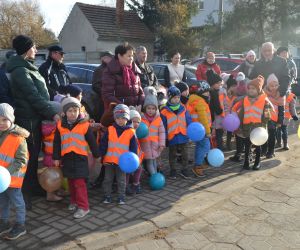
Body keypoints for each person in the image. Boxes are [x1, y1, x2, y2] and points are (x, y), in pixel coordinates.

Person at [6, 35, 60, 210]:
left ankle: (34, 187)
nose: (36, 50)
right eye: (34, 47)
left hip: (36, 117)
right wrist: (53, 113)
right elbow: (33, 97)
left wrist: (59, 97)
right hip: (28, 120)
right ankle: (24, 193)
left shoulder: (28, 67)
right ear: (25, 49)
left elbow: (42, 91)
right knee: (27, 158)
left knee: (35, 156)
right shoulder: (20, 71)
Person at [53, 97, 100, 219]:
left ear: (79, 111)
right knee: (71, 182)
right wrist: (56, 157)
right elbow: (57, 143)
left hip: (80, 158)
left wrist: (97, 155)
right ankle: (74, 201)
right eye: (70, 111)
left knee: (79, 183)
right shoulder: (60, 126)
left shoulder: (84, 125)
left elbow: (92, 141)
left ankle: (84, 207)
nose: (73, 113)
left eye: (75, 110)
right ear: (64, 113)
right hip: (67, 158)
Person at [0, 103, 29, 240]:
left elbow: (21, 160)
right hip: (1, 180)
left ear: (11, 119)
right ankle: (4, 222)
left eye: (4, 119)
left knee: (17, 202)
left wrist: (5, 172)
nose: (1, 123)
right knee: (2, 201)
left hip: (12, 178)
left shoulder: (19, 138)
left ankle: (20, 225)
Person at [101, 104, 138, 205]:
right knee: (107, 179)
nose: (120, 120)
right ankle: (107, 196)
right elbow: (103, 144)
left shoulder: (131, 132)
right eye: (117, 118)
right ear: (114, 118)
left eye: (123, 118)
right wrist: (101, 154)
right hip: (109, 161)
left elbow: (134, 149)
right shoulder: (110, 129)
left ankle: (121, 196)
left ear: (127, 118)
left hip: (123, 163)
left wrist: (133, 161)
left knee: (121, 180)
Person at [238, 75, 272, 170]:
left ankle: (257, 162)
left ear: (258, 89)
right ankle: (247, 161)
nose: (251, 90)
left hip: (258, 127)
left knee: (258, 145)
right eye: (249, 88)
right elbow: (242, 112)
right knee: (247, 144)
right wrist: (239, 124)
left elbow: (267, 114)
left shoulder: (264, 101)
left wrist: (264, 122)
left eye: (253, 88)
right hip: (247, 126)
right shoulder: (245, 99)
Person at [160, 86, 192, 179]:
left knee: (185, 153)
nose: (176, 99)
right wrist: (165, 138)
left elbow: (189, 121)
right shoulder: (164, 111)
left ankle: (184, 169)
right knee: (172, 154)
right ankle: (173, 170)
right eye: (174, 98)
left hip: (183, 135)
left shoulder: (184, 109)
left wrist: (191, 131)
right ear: (169, 98)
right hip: (172, 136)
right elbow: (163, 126)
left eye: (178, 97)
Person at [102, 43, 145, 110]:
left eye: (132, 56)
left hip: (135, 112)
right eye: (129, 56)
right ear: (119, 56)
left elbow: (141, 92)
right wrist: (124, 108)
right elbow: (107, 95)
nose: (131, 59)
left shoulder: (134, 70)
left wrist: (140, 104)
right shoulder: (110, 72)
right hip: (118, 114)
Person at [187, 81, 211, 177]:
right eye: (206, 91)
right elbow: (203, 118)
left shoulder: (193, 100)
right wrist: (208, 131)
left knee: (199, 146)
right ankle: (198, 166)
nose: (208, 93)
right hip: (202, 130)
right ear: (200, 92)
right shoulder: (200, 102)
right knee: (206, 147)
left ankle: (198, 163)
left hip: (197, 130)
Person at [140, 87, 165, 176]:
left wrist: (162, 144)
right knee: (150, 162)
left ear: (156, 109)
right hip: (145, 145)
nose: (151, 110)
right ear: (145, 108)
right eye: (149, 108)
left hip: (155, 145)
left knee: (154, 161)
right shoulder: (142, 119)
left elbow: (162, 133)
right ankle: (154, 176)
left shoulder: (158, 119)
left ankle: (154, 175)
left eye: (153, 108)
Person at [41, 101, 63, 202]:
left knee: (52, 175)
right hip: (55, 156)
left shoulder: (44, 126)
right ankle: (50, 195)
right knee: (54, 175)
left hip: (47, 155)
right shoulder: (56, 128)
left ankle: (55, 191)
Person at [263, 74, 285, 158]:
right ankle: (264, 149)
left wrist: (280, 121)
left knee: (272, 135)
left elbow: (281, 110)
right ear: (268, 86)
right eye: (271, 86)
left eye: (276, 85)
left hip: (274, 120)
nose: (274, 87)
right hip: (264, 118)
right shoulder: (263, 94)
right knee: (264, 134)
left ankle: (271, 151)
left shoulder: (281, 95)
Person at [126, 107, 144, 195]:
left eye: (138, 122)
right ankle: (126, 186)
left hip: (134, 156)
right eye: (134, 121)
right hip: (128, 156)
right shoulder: (129, 131)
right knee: (128, 172)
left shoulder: (134, 131)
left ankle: (135, 184)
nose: (136, 124)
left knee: (138, 169)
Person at [92, 51, 114, 121]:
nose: (111, 59)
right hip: (102, 101)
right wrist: (105, 93)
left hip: (111, 99)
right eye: (110, 57)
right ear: (103, 58)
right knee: (103, 119)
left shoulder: (112, 68)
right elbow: (95, 85)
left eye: (112, 57)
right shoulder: (99, 70)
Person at [207, 70, 224, 150]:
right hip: (214, 119)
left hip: (214, 119)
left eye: (220, 83)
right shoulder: (213, 93)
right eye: (218, 83)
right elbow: (217, 109)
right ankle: (218, 150)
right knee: (217, 136)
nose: (219, 85)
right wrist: (221, 111)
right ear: (212, 83)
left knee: (215, 136)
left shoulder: (213, 91)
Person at [224, 75, 238, 150]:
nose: (235, 87)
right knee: (229, 132)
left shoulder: (236, 96)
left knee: (236, 132)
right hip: (229, 117)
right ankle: (228, 145)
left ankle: (235, 145)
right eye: (234, 86)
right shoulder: (225, 96)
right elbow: (225, 106)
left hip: (235, 116)